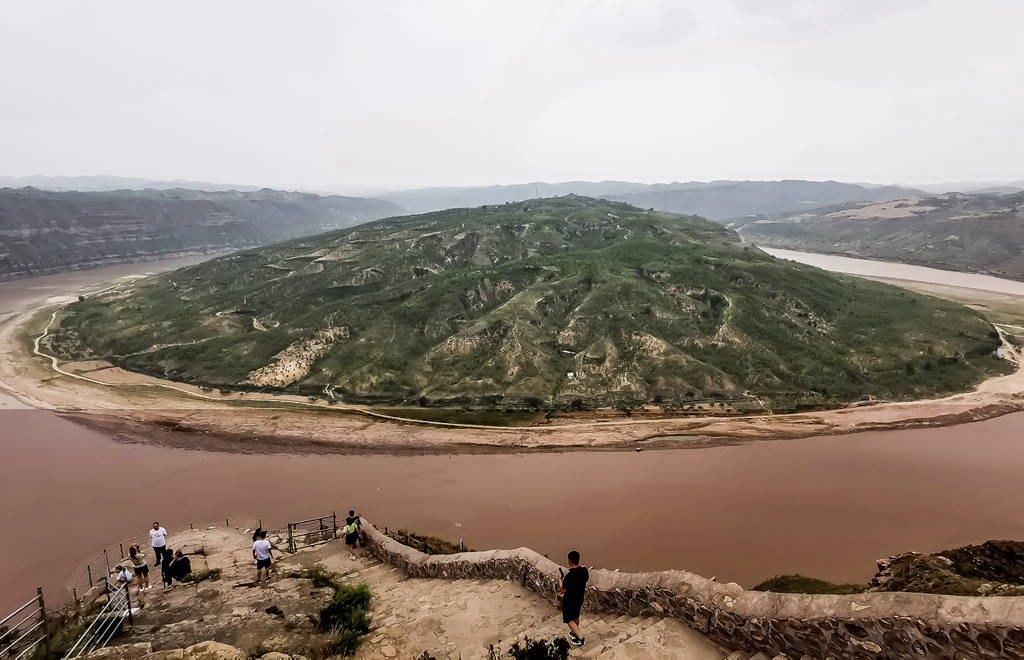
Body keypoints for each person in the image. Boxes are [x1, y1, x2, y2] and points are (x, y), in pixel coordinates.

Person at [558, 550, 589, 647]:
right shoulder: (584, 571)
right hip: (579, 597)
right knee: (576, 615)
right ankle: (574, 632)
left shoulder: (569, 576)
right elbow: (585, 576)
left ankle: (580, 638)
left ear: (570, 561)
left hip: (570, 599)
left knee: (568, 619)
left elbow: (563, 590)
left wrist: (560, 580)